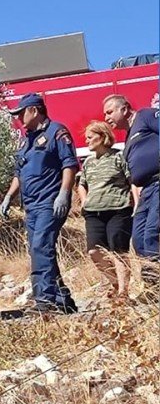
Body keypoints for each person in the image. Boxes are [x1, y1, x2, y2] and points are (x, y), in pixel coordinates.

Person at [1, 93, 78, 314]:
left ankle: (44, 301)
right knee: (38, 251)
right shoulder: (27, 140)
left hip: (50, 202)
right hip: (31, 206)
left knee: (40, 246)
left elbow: (69, 165)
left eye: (20, 113)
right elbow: (20, 172)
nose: (18, 118)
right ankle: (63, 299)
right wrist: (9, 196)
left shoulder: (57, 132)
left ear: (34, 110)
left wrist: (64, 193)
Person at [77, 121, 133, 302]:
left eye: (90, 137)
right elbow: (81, 185)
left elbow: (132, 180)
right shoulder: (88, 162)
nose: (87, 141)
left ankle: (123, 293)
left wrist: (136, 203)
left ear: (102, 136)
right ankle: (115, 282)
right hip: (94, 212)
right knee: (94, 252)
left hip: (118, 210)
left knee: (118, 251)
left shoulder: (119, 157)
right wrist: (85, 202)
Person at [103, 95, 159, 275]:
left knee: (151, 234)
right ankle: (152, 287)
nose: (106, 118)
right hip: (147, 190)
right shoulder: (129, 137)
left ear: (125, 109)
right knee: (138, 238)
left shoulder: (145, 116)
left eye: (110, 112)